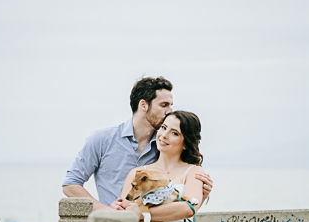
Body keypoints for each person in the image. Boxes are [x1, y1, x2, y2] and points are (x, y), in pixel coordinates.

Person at [62, 76, 212, 211]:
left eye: (171, 105)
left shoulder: (166, 147)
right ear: (143, 105)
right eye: (164, 105)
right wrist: (105, 210)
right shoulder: (102, 139)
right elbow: (70, 185)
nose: (169, 111)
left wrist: (201, 194)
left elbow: (180, 199)